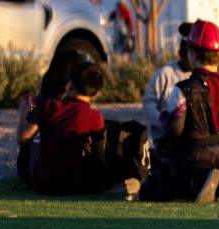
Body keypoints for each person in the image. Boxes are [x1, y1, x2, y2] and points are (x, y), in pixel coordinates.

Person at [138, 20, 219, 203]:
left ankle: (198, 185)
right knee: (195, 168)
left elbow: (175, 131)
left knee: (149, 191)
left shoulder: (182, 89)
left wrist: (164, 118)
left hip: (194, 158)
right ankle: (216, 180)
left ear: (192, 53)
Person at [21, 61, 136, 196]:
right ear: (97, 93)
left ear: (71, 84)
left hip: (42, 183)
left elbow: (24, 138)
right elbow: (97, 160)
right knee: (127, 166)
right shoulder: (94, 117)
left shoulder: (50, 106)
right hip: (72, 185)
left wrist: (23, 112)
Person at [15, 48, 87, 186]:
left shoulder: (43, 99)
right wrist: (23, 112)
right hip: (39, 167)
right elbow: (23, 137)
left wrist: (23, 113)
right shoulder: (57, 103)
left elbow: (24, 139)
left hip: (28, 164)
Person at [141, 22, 193, 150]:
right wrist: (163, 122)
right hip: (162, 140)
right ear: (180, 53)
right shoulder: (165, 74)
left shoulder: (196, 77)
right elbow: (148, 104)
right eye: (189, 54)